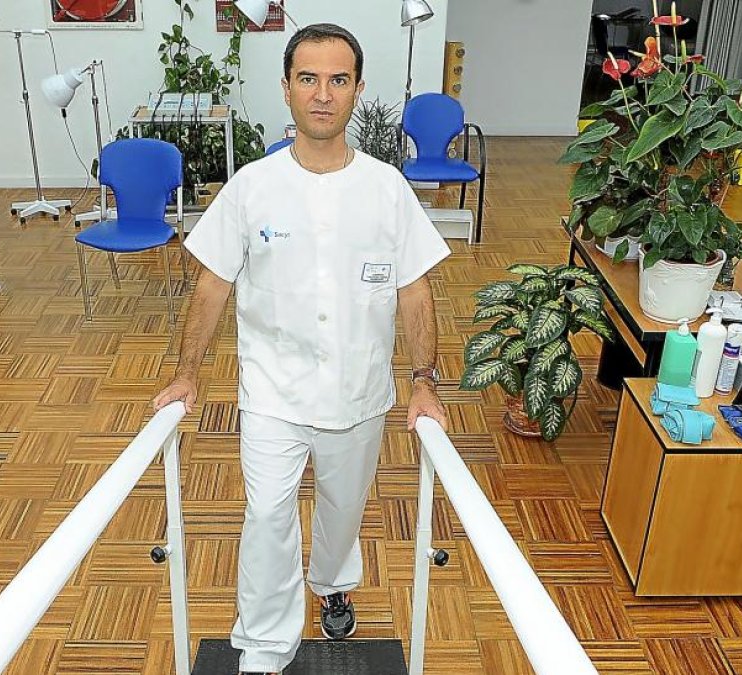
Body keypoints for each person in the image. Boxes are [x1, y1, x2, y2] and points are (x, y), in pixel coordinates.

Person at [152, 23, 450, 675]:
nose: (323, 94)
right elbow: (211, 284)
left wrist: (424, 378)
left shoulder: (386, 189)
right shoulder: (252, 187)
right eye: (308, 79)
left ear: (357, 89)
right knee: (267, 516)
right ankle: (262, 647)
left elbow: (416, 291)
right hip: (273, 394)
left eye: (338, 80)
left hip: (360, 391)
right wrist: (186, 373)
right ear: (286, 89)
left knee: (344, 510)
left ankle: (334, 579)